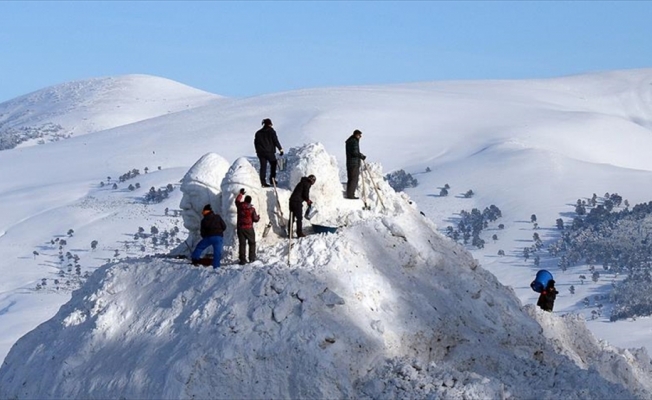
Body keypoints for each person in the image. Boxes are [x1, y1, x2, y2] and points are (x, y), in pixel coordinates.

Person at [191, 204, 227, 269]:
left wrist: (205, 237)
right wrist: (220, 232)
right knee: (217, 252)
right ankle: (216, 266)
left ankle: (195, 260)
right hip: (219, 237)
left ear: (205, 211)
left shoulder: (204, 220)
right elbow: (224, 227)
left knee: (199, 247)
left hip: (209, 237)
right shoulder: (218, 217)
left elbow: (202, 232)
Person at [254, 118, 284, 188]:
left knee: (263, 167)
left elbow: (255, 143)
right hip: (269, 152)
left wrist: (257, 151)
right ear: (270, 124)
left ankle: (263, 182)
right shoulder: (271, 131)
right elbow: (275, 141)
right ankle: (272, 179)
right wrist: (280, 149)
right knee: (273, 164)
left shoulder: (258, 133)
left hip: (261, 153)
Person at [235, 188, 260, 265]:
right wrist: (258, 217)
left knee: (242, 244)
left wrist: (241, 194)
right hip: (249, 228)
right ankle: (252, 258)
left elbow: (237, 201)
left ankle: (242, 259)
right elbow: (255, 219)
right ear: (250, 201)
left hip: (240, 228)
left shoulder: (239, 206)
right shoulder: (252, 209)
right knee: (252, 243)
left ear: (245, 200)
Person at [345, 129, 366, 199]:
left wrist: (360, 154)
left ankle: (349, 194)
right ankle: (350, 195)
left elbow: (354, 152)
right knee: (354, 179)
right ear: (356, 135)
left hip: (349, 163)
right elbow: (354, 152)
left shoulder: (349, 141)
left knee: (350, 178)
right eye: (360, 135)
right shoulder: (354, 142)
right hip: (354, 163)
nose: (360, 137)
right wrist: (361, 156)